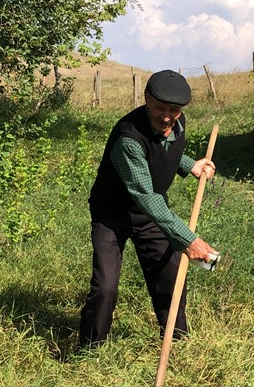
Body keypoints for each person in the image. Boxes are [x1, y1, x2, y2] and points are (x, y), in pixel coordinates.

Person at [78, 69, 219, 348]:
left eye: (173, 110)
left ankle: (176, 341)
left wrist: (190, 164)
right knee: (105, 286)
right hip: (113, 214)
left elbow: (165, 149)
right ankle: (90, 349)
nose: (166, 116)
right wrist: (188, 240)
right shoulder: (128, 137)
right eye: (159, 108)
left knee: (170, 274)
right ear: (146, 99)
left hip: (150, 216)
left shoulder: (177, 123)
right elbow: (145, 194)